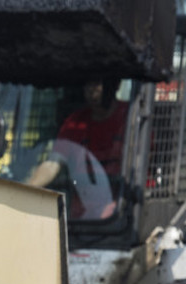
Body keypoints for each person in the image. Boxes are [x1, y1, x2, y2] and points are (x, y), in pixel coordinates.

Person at [25, 80, 128, 221]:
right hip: (82, 220)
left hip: (121, 215)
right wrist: (24, 192)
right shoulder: (75, 123)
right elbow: (52, 164)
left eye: (97, 82)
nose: (92, 89)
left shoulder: (130, 117)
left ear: (115, 84)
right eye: (88, 83)